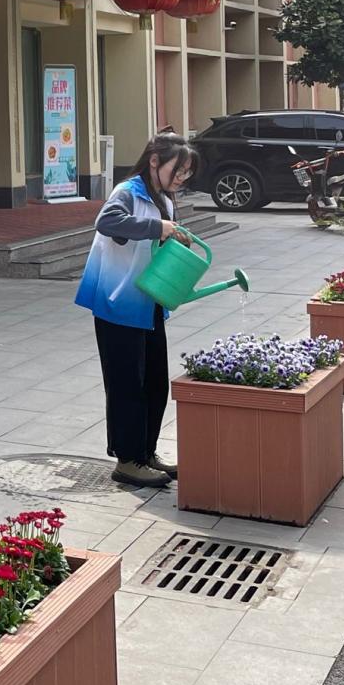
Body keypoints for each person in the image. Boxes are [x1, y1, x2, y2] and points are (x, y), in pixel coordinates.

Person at [75, 132, 198, 490]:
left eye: (187, 173)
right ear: (154, 161)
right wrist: (159, 227)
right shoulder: (127, 192)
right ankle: (128, 460)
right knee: (127, 383)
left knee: (155, 382)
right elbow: (107, 222)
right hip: (117, 302)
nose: (181, 178)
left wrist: (174, 237)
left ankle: (146, 452)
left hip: (149, 301)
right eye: (178, 170)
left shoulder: (165, 198)